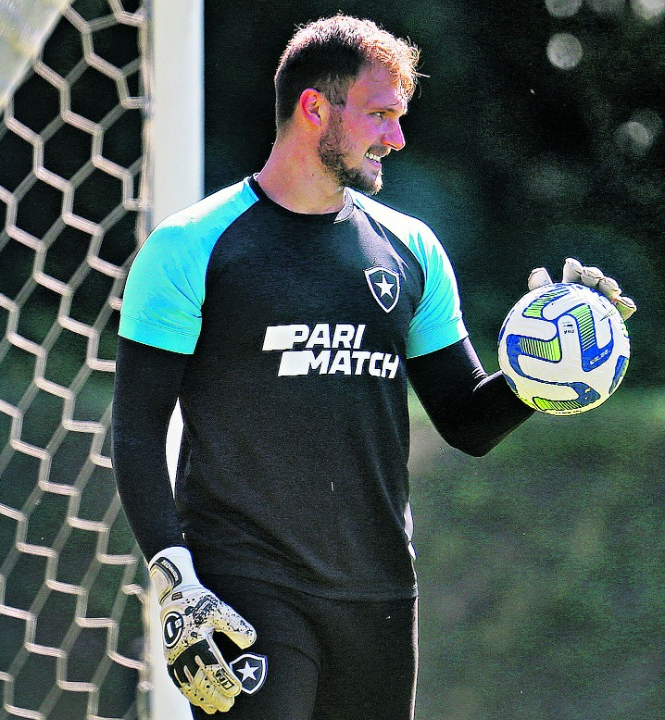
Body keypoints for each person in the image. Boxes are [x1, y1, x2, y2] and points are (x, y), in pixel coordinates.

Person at [111, 14, 635, 719]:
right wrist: (177, 580)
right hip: (244, 589)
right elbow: (138, 429)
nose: (397, 136)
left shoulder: (410, 249)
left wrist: (546, 371)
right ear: (314, 108)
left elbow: (467, 421)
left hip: (380, 600)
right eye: (381, 115)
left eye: (400, 117)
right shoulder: (191, 247)